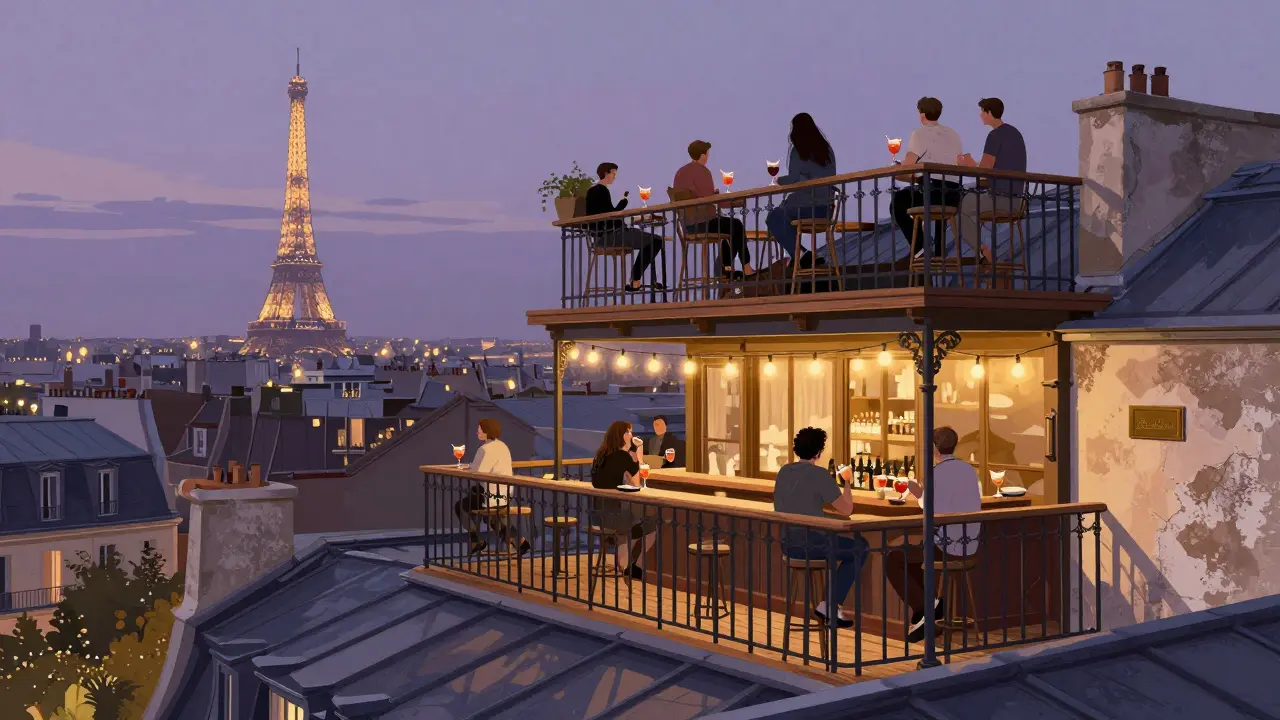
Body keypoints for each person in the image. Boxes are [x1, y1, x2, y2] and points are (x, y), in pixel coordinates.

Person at [884, 426, 982, 643]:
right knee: (911, 554)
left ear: (935, 448)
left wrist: (918, 494)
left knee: (894, 559)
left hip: (947, 546)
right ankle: (929, 610)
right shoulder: (968, 470)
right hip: (970, 543)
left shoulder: (937, 473)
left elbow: (933, 511)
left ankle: (928, 609)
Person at [773, 427, 868, 628]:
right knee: (860, 547)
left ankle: (829, 606)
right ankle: (830, 604)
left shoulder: (784, 472)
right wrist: (847, 482)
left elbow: (794, 505)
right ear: (818, 452)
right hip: (811, 544)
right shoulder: (820, 474)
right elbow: (846, 509)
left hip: (788, 543)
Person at [891, 97, 965, 259]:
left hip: (933, 193)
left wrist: (898, 168)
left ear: (922, 114)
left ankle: (920, 248)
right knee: (924, 199)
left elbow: (908, 167)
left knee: (898, 201)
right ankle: (938, 253)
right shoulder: (953, 134)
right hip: (953, 194)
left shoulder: (919, 134)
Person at [956, 98, 1028, 263]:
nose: (980, 115)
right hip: (1018, 201)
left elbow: (984, 172)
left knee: (961, 208)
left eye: (982, 112)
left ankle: (983, 252)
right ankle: (986, 256)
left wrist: (968, 164)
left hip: (1001, 199)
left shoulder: (994, 136)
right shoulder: (1015, 133)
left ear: (989, 113)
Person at [673, 141, 756, 281]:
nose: (708, 156)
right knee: (736, 225)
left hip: (687, 226)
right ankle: (744, 268)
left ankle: (726, 267)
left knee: (727, 227)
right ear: (702, 155)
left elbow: (699, 196)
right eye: (707, 154)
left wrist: (712, 195)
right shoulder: (703, 171)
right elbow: (710, 200)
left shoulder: (680, 173)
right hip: (703, 223)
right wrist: (735, 202)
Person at [765, 113, 838, 266]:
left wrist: (778, 181)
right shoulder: (826, 149)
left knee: (774, 216)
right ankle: (800, 256)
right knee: (783, 215)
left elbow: (793, 179)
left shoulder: (799, 150)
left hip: (809, 207)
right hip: (827, 209)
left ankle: (800, 254)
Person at [590, 420, 659, 579]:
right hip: (616, 516)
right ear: (620, 436)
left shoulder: (600, 454)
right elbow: (636, 483)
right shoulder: (622, 456)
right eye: (628, 432)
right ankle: (634, 565)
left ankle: (628, 563)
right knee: (651, 524)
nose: (631, 435)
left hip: (598, 515)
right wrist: (637, 454)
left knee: (637, 523)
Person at [584, 163, 666, 293]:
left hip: (603, 236)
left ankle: (637, 280)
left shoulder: (593, 191)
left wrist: (627, 215)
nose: (614, 177)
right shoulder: (602, 190)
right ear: (606, 173)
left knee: (650, 239)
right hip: (611, 236)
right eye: (613, 174)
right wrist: (623, 204)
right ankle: (635, 280)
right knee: (656, 240)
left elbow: (608, 215)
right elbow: (611, 216)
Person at [455, 419, 531, 556]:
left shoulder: (484, 449)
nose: (477, 432)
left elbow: (479, 472)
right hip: (505, 494)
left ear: (487, 431)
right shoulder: (503, 446)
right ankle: (519, 542)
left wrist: (466, 469)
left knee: (461, 506)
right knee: (494, 518)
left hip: (490, 495)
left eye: (480, 429)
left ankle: (477, 541)